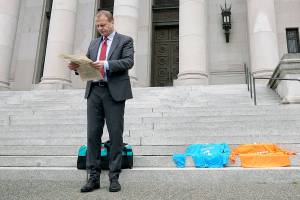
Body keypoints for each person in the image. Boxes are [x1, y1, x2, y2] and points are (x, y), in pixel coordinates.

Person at [68, 10, 134, 193]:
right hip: (94, 92)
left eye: (103, 25)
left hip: (114, 94)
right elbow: (88, 66)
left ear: (112, 23)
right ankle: (93, 178)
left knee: (115, 135)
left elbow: (128, 62)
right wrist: (77, 67)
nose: (100, 29)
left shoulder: (125, 41)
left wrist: (105, 64)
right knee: (93, 135)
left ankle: (114, 177)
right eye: (98, 26)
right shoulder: (94, 43)